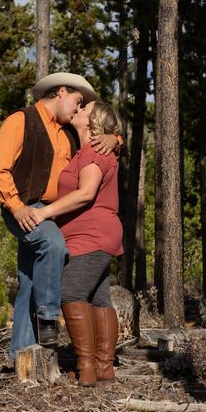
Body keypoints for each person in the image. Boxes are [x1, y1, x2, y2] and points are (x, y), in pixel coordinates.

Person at [0, 72, 120, 362]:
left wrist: (115, 137)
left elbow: (101, 137)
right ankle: (49, 318)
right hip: (22, 208)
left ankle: (20, 356)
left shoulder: (70, 132)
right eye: (77, 101)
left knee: (30, 281)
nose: (78, 108)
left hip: (50, 212)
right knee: (54, 245)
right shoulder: (20, 120)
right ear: (61, 92)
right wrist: (16, 206)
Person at [26, 100, 123, 386]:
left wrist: (43, 212)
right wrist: (116, 138)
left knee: (69, 293)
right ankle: (104, 368)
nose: (78, 110)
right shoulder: (90, 148)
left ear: (94, 121)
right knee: (99, 299)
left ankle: (87, 368)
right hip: (97, 234)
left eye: (84, 109)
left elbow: (85, 193)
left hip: (90, 235)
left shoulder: (94, 151)